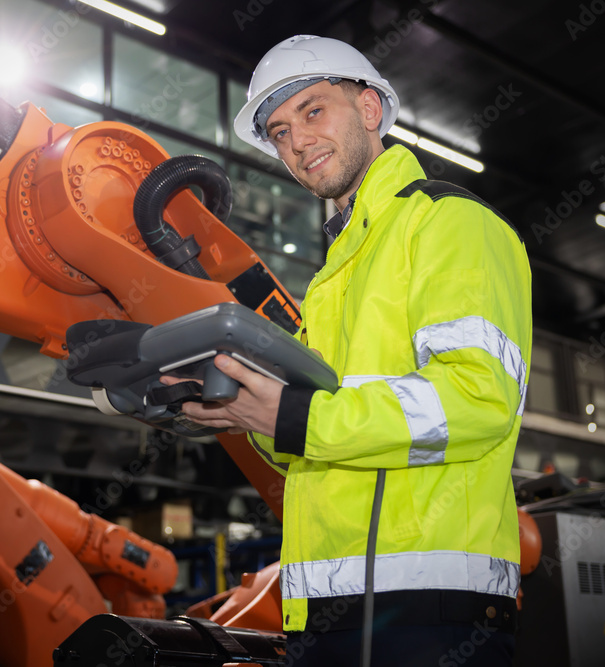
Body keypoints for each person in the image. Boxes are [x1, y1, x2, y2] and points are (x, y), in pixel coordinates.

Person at [171, 35, 532, 666]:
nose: (297, 142)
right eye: (280, 132)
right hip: (325, 611)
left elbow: (476, 400)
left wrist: (292, 416)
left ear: (369, 109)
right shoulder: (332, 278)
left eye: (313, 111)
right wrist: (244, 411)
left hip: (430, 608)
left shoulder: (449, 223)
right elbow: (316, 442)